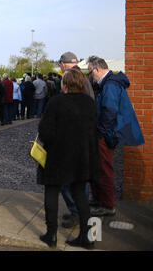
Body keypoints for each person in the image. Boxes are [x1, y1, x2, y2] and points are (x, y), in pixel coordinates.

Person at [37, 69, 99, 249]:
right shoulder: (89, 103)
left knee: (51, 192)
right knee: (80, 194)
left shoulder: (56, 102)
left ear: (65, 84)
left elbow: (45, 132)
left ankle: (51, 235)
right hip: (81, 156)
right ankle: (87, 238)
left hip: (58, 155)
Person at [87, 56, 144, 217]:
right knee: (99, 168)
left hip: (106, 135)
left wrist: (100, 133)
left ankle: (107, 205)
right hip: (107, 133)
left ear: (97, 69)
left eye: (90, 72)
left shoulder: (110, 85)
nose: (91, 76)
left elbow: (109, 112)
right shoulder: (110, 83)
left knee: (104, 169)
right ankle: (99, 199)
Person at [57, 51, 95, 228]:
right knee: (81, 179)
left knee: (67, 180)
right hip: (85, 138)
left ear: (63, 64)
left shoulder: (71, 79)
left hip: (72, 139)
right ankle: (80, 211)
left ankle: (76, 213)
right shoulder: (84, 78)